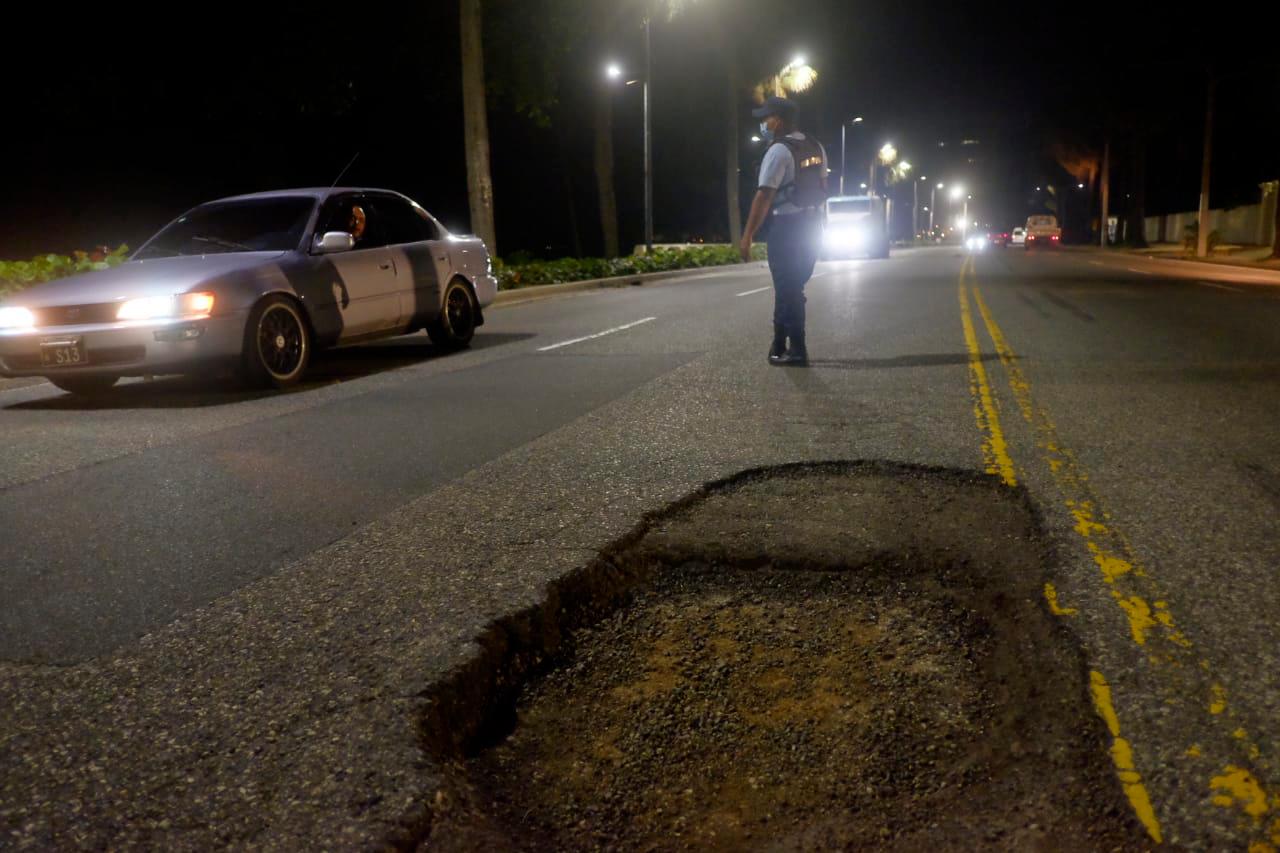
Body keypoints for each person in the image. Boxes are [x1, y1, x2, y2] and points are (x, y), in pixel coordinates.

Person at [738, 95, 828, 366]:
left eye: (766, 118)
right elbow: (824, 188)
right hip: (812, 227)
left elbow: (764, 196)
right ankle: (778, 343)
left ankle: (798, 349)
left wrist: (747, 236)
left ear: (778, 120)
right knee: (790, 285)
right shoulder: (816, 146)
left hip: (788, 229)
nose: (764, 124)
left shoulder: (778, 151)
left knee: (789, 289)